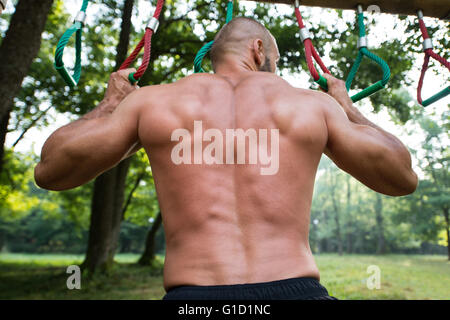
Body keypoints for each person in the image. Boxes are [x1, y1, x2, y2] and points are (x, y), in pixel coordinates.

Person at [34, 17, 418, 300]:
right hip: (295, 292)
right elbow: (403, 177)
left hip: (193, 301)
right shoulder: (309, 105)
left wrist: (109, 104)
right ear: (259, 50)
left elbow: (50, 169)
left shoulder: (153, 102)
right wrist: (346, 106)